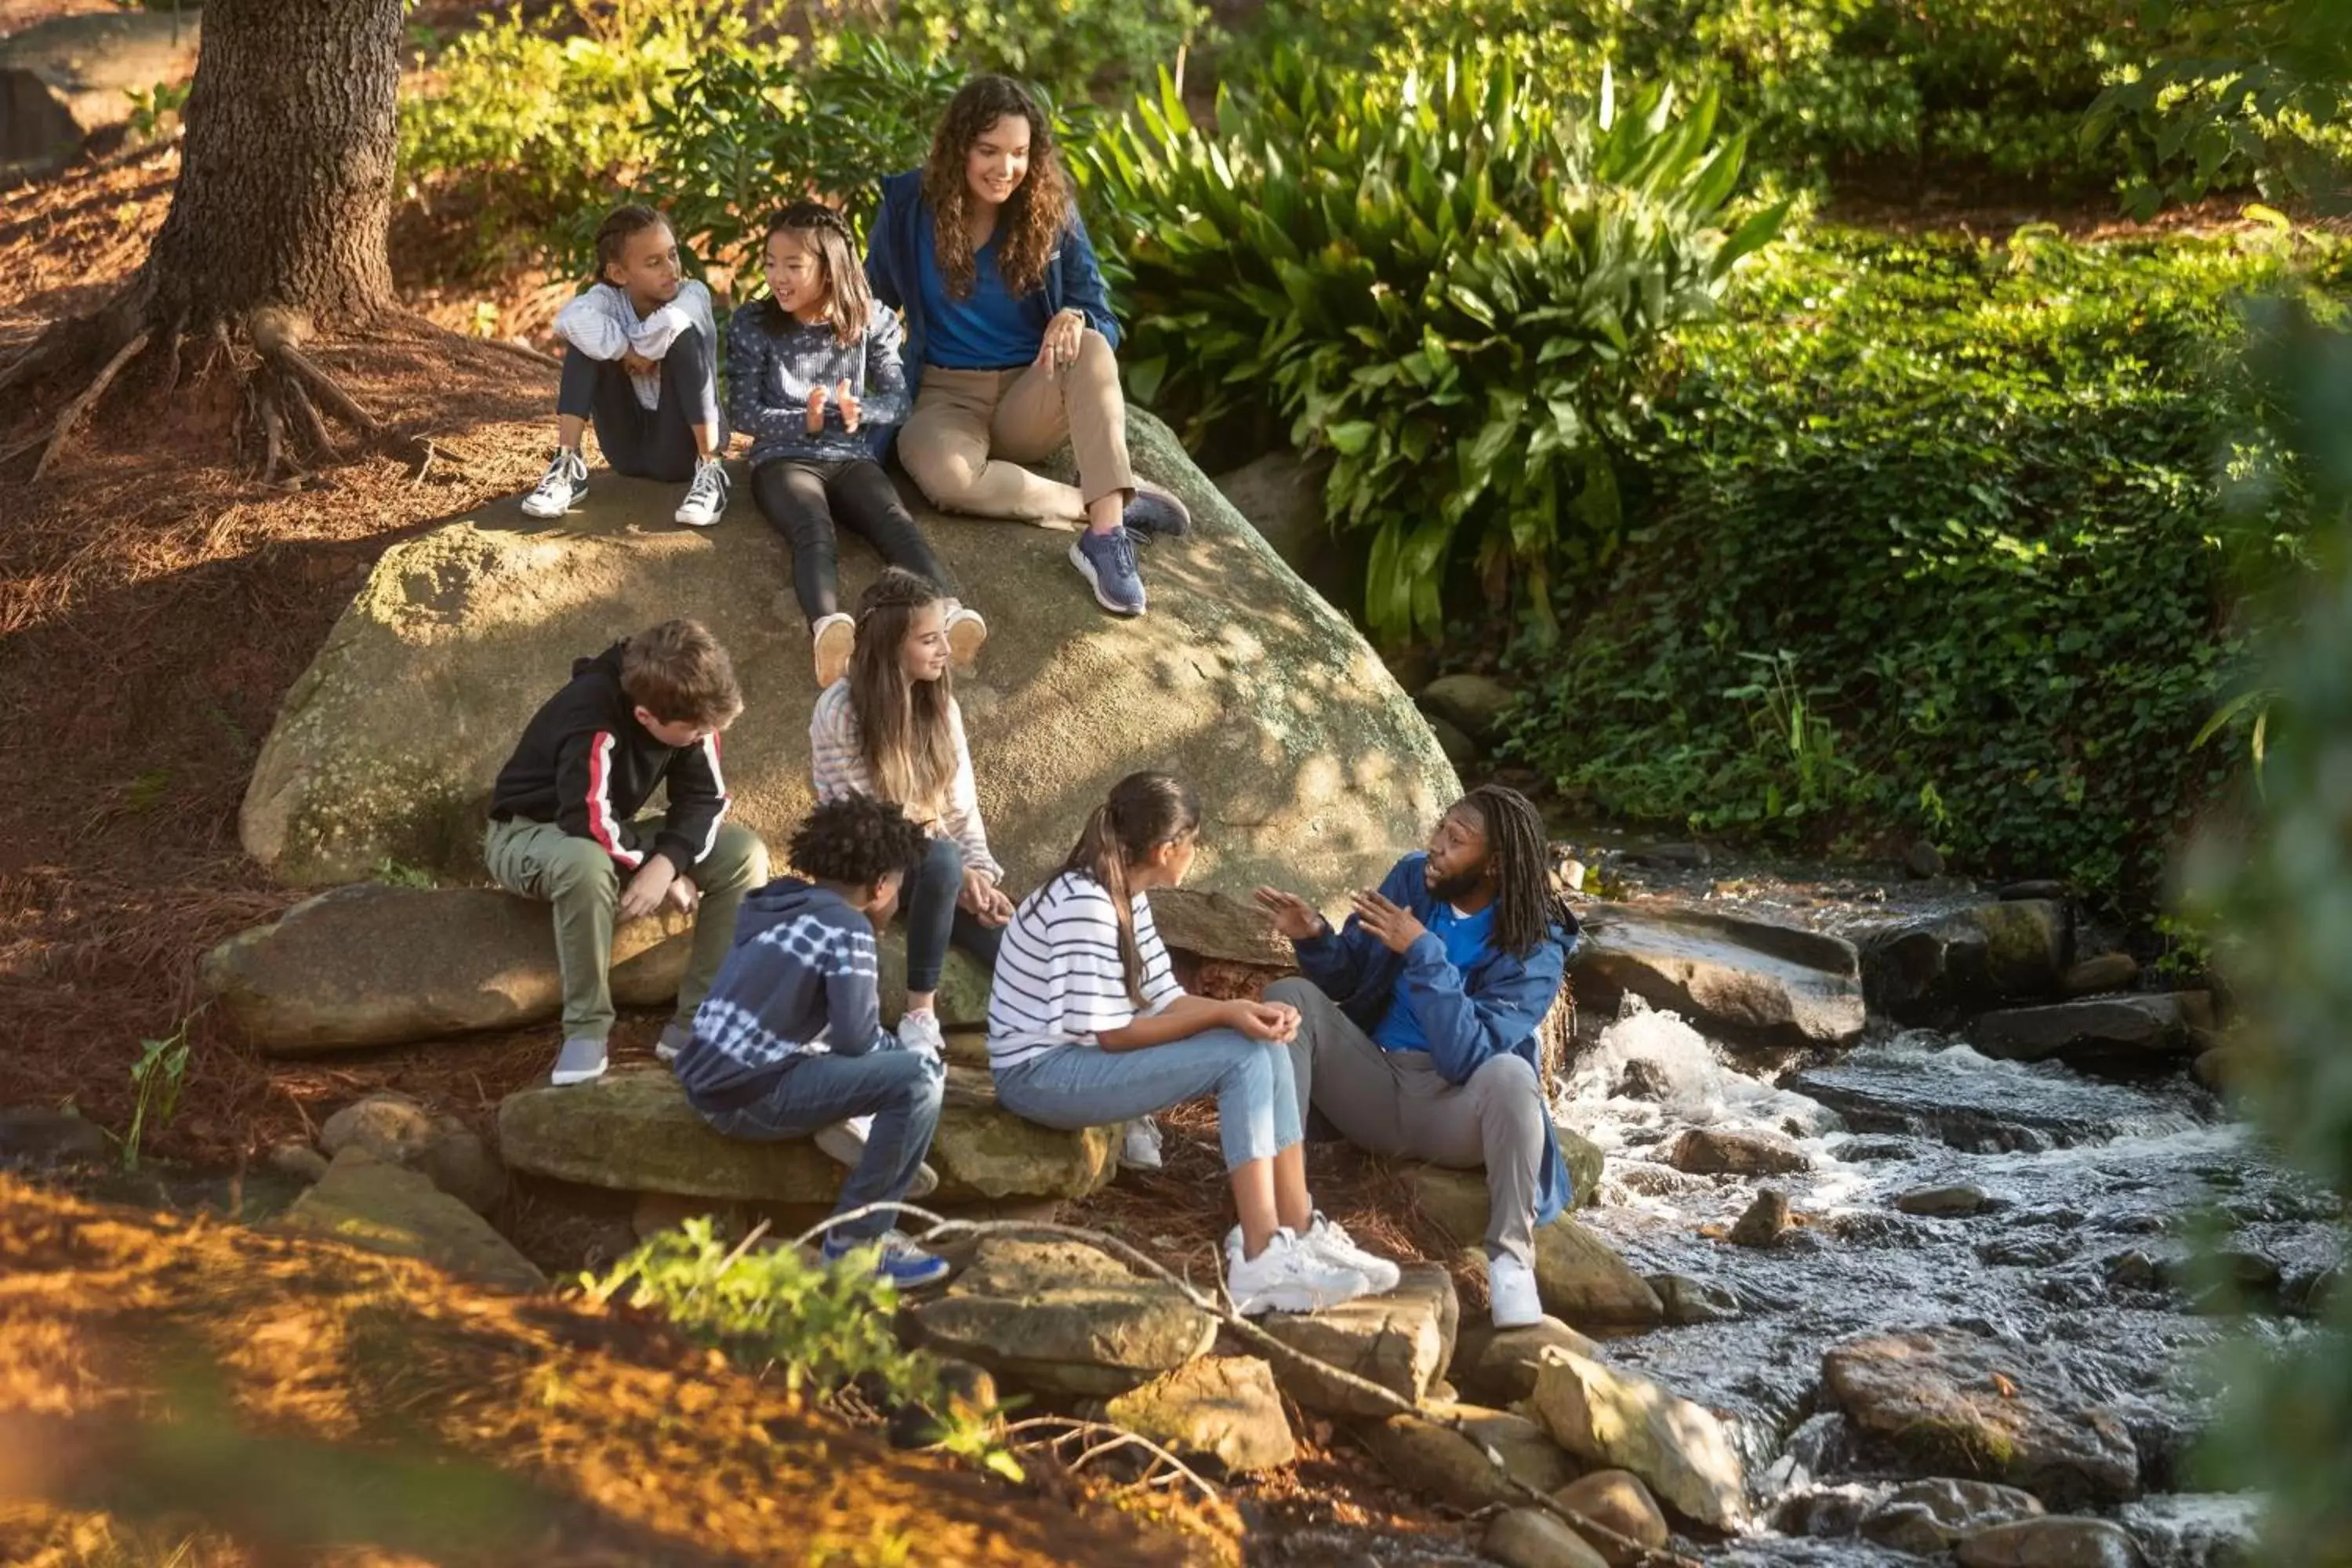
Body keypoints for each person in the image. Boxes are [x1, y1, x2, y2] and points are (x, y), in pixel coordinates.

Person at [987, 771, 1403, 1316]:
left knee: (1264, 1045)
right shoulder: (1083, 905)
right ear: (1166, 849)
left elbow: (1164, 998)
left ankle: (1297, 1228)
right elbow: (1114, 1035)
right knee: (1241, 1056)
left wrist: (1247, 1011)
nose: (1196, 852)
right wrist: (1229, 1016)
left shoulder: (1124, 894)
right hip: (1039, 1076)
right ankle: (1258, 1257)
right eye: (1194, 841)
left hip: (1076, 1060)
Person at [1253, 785, 1579, 1329]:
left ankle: (1511, 1268)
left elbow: (1467, 1058)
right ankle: (1287, 1226)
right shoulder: (1412, 880)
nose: (1436, 846)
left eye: (1457, 840)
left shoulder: (1536, 942)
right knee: (1290, 999)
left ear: (1496, 863)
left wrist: (1425, 951)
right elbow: (1353, 976)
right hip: (1374, 1084)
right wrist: (1314, 938)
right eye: (1440, 829)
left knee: (1511, 1073)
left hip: (1454, 1111)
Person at [866, 74, 1191, 619]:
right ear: (959, 150)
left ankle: (1105, 539)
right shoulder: (908, 207)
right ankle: (1099, 502)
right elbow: (873, 304)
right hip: (945, 396)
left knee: (1088, 345)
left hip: (1031, 391)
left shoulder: (1050, 211)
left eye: (1019, 153)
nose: (1005, 169)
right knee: (948, 481)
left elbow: (1103, 319)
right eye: (988, 151)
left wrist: (1074, 315)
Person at [671, 793, 953, 1287]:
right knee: (920, 1079)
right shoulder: (848, 928)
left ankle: (856, 1126)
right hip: (748, 1096)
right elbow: (856, 1039)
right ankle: (856, 1246)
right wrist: (906, 1054)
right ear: (882, 886)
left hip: (708, 1079)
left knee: (883, 1065)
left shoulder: (778, 902)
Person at [485, 619, 769, 1088]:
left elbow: (706, 800)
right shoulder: (591, 713)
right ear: (645, 718)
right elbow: (585, 820)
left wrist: (669, 860)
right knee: (585, 861)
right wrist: (654, 867)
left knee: (744, 852)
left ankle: (699, 1023)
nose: (704, 738)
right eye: (695, 732)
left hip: (606, 830)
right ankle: (586, 1029)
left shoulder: (692, 709)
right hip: (530, 834)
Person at [728, 202, 986, 688]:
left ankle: (948, 614)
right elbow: (743, 412)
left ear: (829, 267)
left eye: (793, 265)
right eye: (770, 262)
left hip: (850, 459)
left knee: (894, 523)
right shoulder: (754, 322)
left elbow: (898, 402)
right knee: (813, 529)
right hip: (782, 459)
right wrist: (801, 420)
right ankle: (828, 632)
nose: (777, 276)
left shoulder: (873, 320)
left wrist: (858, 411)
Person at [811, 569, 1011, 1058]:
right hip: (864, 859)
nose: (945, 649)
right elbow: (869, 816)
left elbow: (963, 807)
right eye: (929, 639)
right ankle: (921, 1012)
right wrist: (952, 869)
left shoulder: (942, 708)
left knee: (1018, 944)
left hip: (935, 866)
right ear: (889, 644)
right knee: (942, 859)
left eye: (944, 634)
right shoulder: (840, 708)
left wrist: (980, 876)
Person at [524, 205, 731, 528]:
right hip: (626, 448)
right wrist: (624, 351)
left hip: (679, 452)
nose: (671, 269)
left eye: (672, 255)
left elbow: (673, 322)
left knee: (683, 335)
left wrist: (636, 348)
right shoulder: (608, 299)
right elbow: (569, 319)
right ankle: (567, 465)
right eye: (654, 262)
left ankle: (711, 469)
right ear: (619, 274)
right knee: (585, 340)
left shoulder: (693, 293)